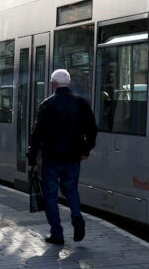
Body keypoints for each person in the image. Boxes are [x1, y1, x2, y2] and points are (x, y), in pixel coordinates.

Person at [27, 69, 97, 245]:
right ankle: (76, 217)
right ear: (69, 83)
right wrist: (86, 150)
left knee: (50, 195)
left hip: (51, 159)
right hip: (73, 158)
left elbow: (37, 135)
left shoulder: (47, 104)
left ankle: (57, 234)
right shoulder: (81, 103)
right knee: (71, 189)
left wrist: (32, 159)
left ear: (52, 84)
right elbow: (92, 129)